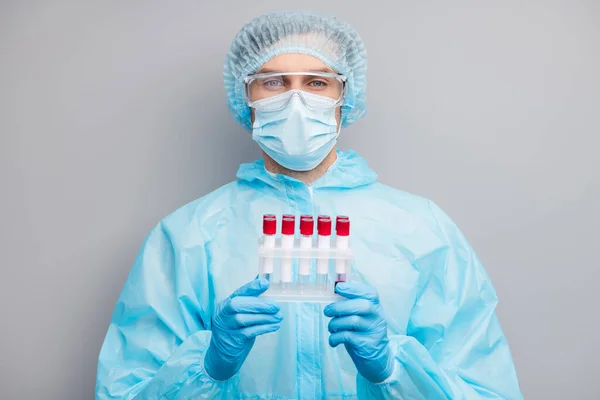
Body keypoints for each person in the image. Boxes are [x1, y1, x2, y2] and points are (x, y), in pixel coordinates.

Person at [96, 11, 522, 399]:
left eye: (316, 82)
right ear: (246, 98)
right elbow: (124, 392)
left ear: (344, 96)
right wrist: (210, 365)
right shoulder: (187, 236)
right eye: (274, 82)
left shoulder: (422, 230)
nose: (295, 100)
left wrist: (393, 369)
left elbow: (488, 391)